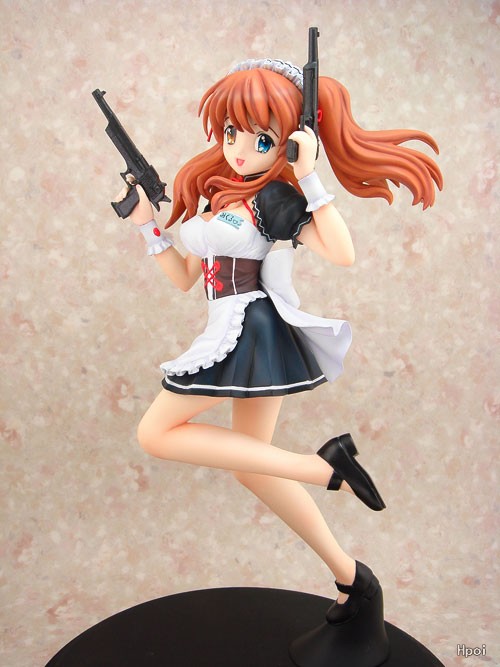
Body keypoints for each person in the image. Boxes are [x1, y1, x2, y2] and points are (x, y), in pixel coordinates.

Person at [116, 57, 442, 621]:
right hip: (230, 326)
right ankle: (353, 578)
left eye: (261, 139)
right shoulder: (220, 195)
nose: (241, 149)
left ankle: (324, 469)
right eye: (231, 133)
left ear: (288, 143)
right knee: (252, 466)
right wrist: (147, 223)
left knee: (155, 433)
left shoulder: (275, 200)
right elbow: (186, 277)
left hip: (249, 329)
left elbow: (342, 253)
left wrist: (310, 175)